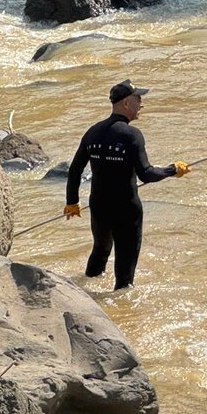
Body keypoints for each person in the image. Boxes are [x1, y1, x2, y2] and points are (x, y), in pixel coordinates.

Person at [64, 80, 189, 290]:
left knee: (100, 250)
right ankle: (121, 311)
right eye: (138, 99)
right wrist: (172, 170)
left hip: (99, 207)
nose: (142, 104)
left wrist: (72, 203)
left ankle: (84, 294)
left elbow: (75, 170)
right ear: (125, 104)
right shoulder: (132, 135)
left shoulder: (93, 132)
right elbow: (146, 174)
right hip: (126, 209)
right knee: (125, 271)